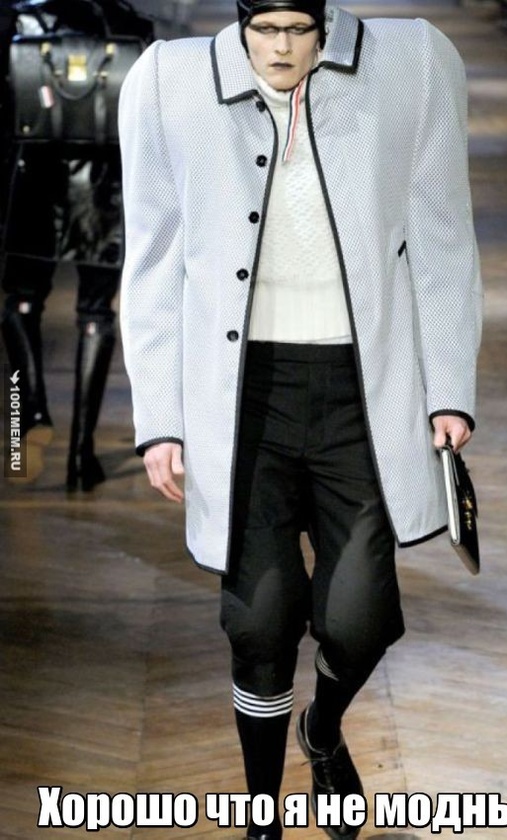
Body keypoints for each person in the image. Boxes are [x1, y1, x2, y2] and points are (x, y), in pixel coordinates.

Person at [118, 1, 482, 838]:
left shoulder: (413, 64)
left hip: (366, 388)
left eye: (299, 30)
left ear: (326, 23)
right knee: (259, 621)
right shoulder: (169, 83)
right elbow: (153, 259)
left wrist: (449, 387)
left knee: (358, 620)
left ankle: (322, 728)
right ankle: (261, 817)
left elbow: (442, 235)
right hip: (240, 397)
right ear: (240, 21)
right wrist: (161, 418)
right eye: (264, 31)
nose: (281, 48)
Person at [0, 0, 153, 487]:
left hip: (34, 173)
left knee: (21, 303)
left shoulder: (21, 20)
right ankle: (82, 458)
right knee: (95, 314)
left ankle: (30, 415)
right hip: (105, 185)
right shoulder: (131, 25)